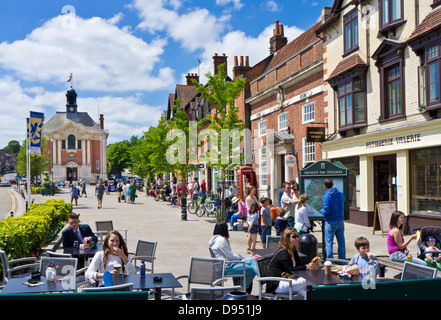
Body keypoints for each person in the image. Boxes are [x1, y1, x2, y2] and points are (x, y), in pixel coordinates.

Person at [266, 228, 319, 299]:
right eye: (294, 237)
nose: (297, 238)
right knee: (308, 281)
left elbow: (300, 266)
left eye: (297, 236)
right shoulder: (283, 252)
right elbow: (290, 269)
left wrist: (312, 265)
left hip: (287, 280)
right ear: (287, 239)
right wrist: (307, 267)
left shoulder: (293, 251)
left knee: (308, 289)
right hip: (276, 284)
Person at [208, 222, 259, 294]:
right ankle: (242, 288)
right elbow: (230, 256)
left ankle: (262, 277)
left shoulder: (213, 239)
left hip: (226, 264)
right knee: (250, 270)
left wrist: (238, 257)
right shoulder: (221, 240)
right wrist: (240, 257)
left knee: (252, 259)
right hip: (227, 266)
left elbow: (227, 254)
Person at [320, 178, 346, 259]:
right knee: (341, 243)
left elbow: (326, 211)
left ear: (324, 186)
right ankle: (342, 261)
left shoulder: (327, 196)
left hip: (330, 222)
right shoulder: (340, 193)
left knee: (329, 243)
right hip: (340, 221)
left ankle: (330, 262)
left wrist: (321, 210)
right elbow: (344, 199)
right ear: (333, 184)